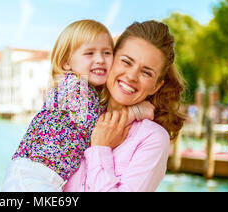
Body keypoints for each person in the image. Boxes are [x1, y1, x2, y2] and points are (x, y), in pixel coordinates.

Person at [1, 19, 154, 192]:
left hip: (43, 177)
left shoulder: (87, 91)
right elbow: (100, 129)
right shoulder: (73, 87)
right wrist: (136, 111)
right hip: (33, 176)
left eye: (106, 52)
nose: (100, 60)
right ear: (67, 62)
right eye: (89, 53)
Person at [63, 20, 187, 192]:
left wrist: (100, 148)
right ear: (111, 59)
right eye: (127, 62)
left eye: (146, 72)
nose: (131, 76)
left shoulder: (153, 138)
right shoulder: (78, 112)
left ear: (156, 86)